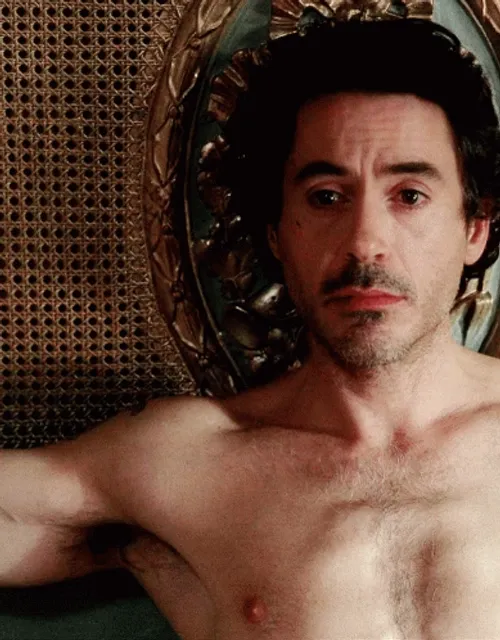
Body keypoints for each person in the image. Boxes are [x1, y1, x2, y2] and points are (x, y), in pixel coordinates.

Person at [2, 17, 500, 640]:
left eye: (410, 195)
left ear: (474, 228)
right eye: (326, 196)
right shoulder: (190, 463)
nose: (365, 240)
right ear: (276, 234)